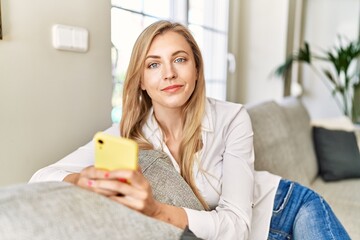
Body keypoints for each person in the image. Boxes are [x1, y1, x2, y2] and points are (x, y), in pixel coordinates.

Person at [30, 20, 350, 240]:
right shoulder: (126, 134)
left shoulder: (232, 119)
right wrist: (82, 179)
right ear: (141, 81)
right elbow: (41, 177)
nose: (169, 73)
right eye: (153, 64)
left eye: (179, 59)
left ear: (196, 68)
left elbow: (238, 228)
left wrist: (159, 211)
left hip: (288, 208)